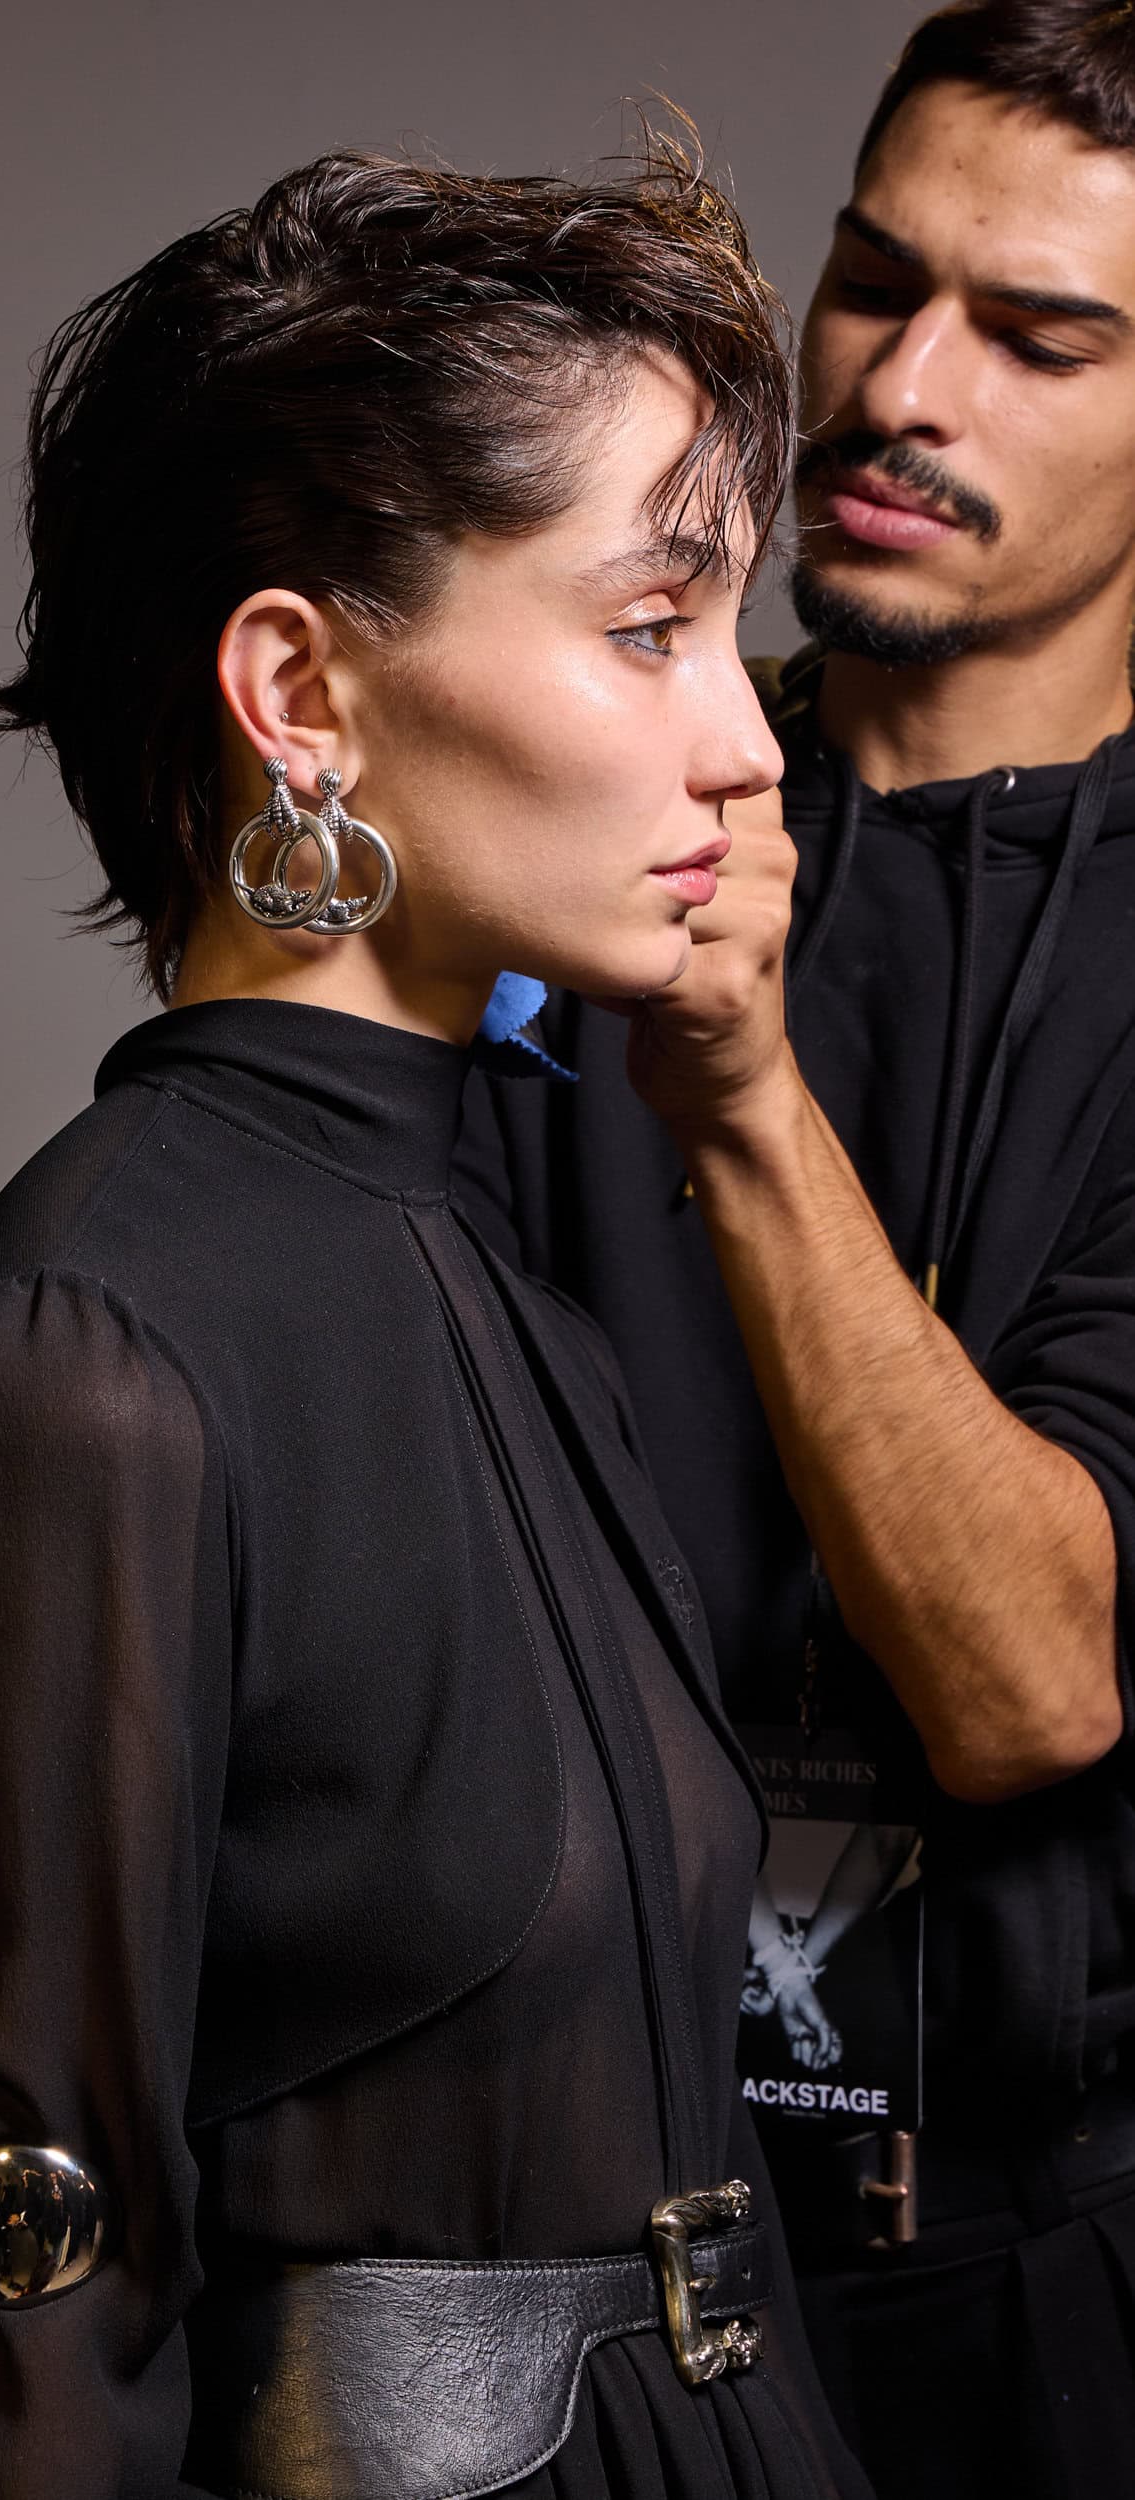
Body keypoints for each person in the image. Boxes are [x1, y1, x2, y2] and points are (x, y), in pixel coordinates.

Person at [0, 145, 869, 2500]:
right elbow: (21, 2321)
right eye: (650, 623)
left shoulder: (496, 1254)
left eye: (733, 630)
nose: (747, 739)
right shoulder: (91, 1354)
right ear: (302, 689)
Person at [456, 8, 1135, 2495]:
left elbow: (1030, 1682)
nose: (898, 388)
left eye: (1039, 336)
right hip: (539, 2244)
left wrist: (742, 1094)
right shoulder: (585, 806)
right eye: (873, 281)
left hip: (1029, 2278)